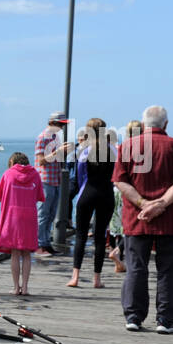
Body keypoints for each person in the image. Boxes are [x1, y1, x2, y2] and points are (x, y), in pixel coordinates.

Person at [112, 105, 173, 334]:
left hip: (137, 218)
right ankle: (165, 321)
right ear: (166, 124)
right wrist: (161, 204)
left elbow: (120, 181)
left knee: (136, 268)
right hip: (171, 220)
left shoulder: (127, 146)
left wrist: (143, 204)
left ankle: (134, 317)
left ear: (144, 123)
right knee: (168, 270)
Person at [66, 118, 117, 289]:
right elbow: (116, 174)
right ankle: (97, 279)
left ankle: (75, 277)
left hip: (87, 193)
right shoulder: (113, 150)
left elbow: (80, 176)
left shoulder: (84, 151)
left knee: (80, 235)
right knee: (100, 237)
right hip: (107, 194)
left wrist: (83, 192)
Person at [0, 152, 44, 296]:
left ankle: (16, 288)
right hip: (29, 216)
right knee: (27, 253)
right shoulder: (35, 174)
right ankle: (26, 287)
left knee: (15, 253)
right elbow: (40, 196)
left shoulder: (8, 174)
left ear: (12, 163)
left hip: (12, 217)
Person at [34, 111, 69, 256]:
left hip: (55, 179)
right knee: (43, 213)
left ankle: (46, 243)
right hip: (45, 180)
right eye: (61, 124)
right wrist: (58, 152)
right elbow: (41, 160)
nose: (62, 128)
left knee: (51, 213)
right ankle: (39, 244)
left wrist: (63, 152)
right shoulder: (43, 137)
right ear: (53, 123)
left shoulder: (55, 137)